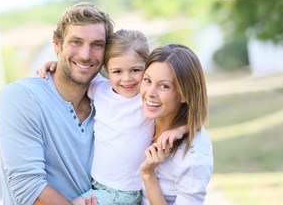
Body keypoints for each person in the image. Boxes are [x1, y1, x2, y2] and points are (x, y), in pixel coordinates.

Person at [38, 29, 188, 205]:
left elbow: (191, 113)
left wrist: (181, 128)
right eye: (117, 72)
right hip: (97, 185)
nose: (127, 79)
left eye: (135, 70)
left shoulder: (146, 99)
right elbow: (73, 78)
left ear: (147, 68)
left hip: (123, 192)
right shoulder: (99, 88)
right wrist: (54, 67)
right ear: (106, 70)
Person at [0, 2, 114, 205]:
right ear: (57, 44)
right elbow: (29, 189)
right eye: (76, 42)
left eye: (97, 45)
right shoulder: (21, 97)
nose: (86, 55)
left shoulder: (112, 98)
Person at [139, 43, 213, 205]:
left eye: (164, 86)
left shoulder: (194, 155)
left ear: (185, 94)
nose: (150, 93)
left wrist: (148, 174)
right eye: (147, 80)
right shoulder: (141, 114)